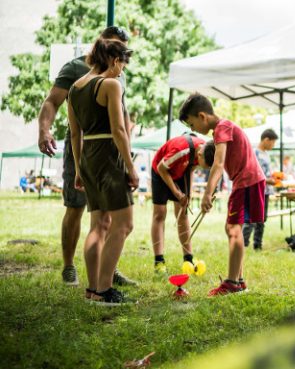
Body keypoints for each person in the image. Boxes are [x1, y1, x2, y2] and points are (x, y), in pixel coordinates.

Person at [37, 25, 136, 287]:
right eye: (117, 49)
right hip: (91, 147)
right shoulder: (75, 69)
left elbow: (121, 118)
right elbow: (52, 103)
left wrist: (128, 143)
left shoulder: (113, 77)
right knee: (77, 207)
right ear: (102, 45)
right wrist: (44, 130)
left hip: (99, 148)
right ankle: (72, 268)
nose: (120, 57)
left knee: (104, 220)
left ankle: (103, 273)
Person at [67, 38, 137, 304]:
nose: (122, 70)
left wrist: (78, 169)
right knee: (124, 224)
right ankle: (105, 290)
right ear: (114, 60)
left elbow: (75, 134)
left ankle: (92, 289)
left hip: (88, 157)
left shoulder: (75, 88)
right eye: (123, 64)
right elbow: (119, 130)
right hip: (109, 155)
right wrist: (130, 166)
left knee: (99, 225)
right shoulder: (110, 85)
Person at [179, 92, 266, 296]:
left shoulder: (222, 127)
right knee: (232, 229)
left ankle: (232, 283)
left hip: (246, 180)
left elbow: (218, 164)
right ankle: (239, 280)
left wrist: (207, 194)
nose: (193, 130)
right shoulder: (223, 128)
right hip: (246, 180)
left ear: (202, 116)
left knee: (233, 229)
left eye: (192, 125)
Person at [150, 134, 207, 274]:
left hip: (181, 173)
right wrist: (177, 193)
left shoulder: (206, 150)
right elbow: (161, 168)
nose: (200, 167)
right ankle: (159, 261)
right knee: (160, 214)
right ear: (199, 154)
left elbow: (192, 168)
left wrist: (188, 192)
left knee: (183, 213)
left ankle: (188, 258)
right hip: (160, 171)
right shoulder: (181, 150)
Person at [244, 128, 278, 251]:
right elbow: (253, 172)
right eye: (272, 142)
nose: (273, 145)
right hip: (256, 190)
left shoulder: (266, 154)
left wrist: (272, 177)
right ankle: (242, 243)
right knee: (252, 218)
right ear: (266, 140)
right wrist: (267, 180)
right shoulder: (255, 153)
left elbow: (265, 172)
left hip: (266, 191)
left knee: (262, 219)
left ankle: (257, 245)